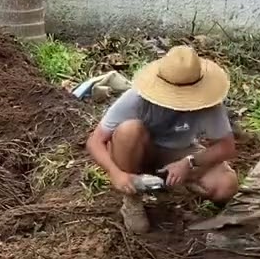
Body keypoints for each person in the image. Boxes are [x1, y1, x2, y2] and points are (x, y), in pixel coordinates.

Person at [86, 45, 240, 233]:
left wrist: (189, 162)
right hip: (138, 150)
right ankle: (132, 199)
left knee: (226, 185)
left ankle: (170, 181)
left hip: (178, 151)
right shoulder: (136, 99)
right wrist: (116, 173)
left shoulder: (208, 104)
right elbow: (95, 141)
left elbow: (226, 147)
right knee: (128, 130)